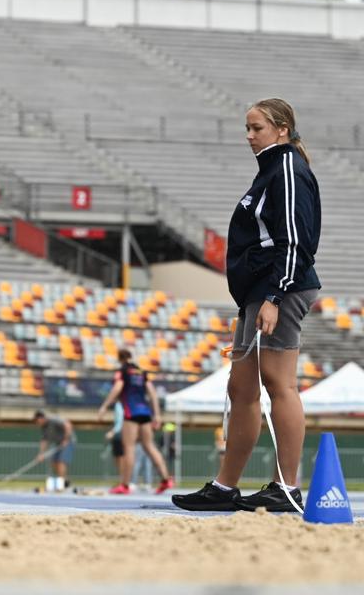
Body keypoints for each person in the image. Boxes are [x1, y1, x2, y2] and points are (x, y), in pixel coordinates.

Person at [174, 98, 321, 513]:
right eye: (247, 128)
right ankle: (224, 487)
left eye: (256, 128)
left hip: (280, 289)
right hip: (258, 292)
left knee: (280, 384)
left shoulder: (288, 168)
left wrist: (275, 296)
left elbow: (297, 240)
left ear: (281, 129)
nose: (249, 137)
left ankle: (287, 486)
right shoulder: (271, 170)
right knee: (241, 388)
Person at [98, 349, 174, 495]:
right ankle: (166, 479)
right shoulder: (141, 372)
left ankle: (125, 485)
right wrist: (156, 414)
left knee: (129, 448)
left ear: (119, 358)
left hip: (131, 412)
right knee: (149, 446)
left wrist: (105, 406)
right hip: (145, 412)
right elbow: (152, 392)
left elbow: (117, 388)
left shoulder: (122, 371)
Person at [31, 410, 73, 492]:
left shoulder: (53, 419)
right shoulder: (43, 427)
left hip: (68, 442)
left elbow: (68, 425)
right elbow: (44, 441)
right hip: (58, 444)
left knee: (61, 462)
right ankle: (65, 482)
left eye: (37, 420)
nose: (37, 423)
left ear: (41, 418)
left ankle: (61, 486)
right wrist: (41, 454)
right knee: (54, 462)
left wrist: (66, 439)